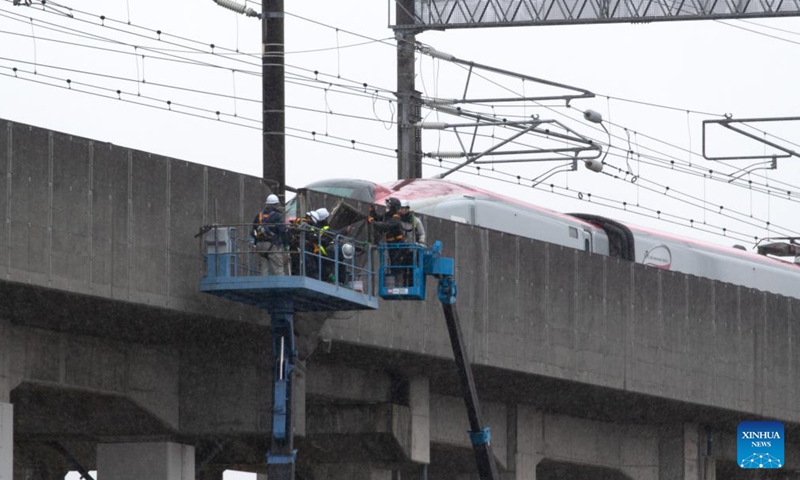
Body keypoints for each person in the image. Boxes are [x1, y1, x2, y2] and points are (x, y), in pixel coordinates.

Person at [251, 194, 288, 276]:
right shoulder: (277, 216)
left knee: (264, 270)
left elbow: (254, 230)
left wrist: (255, 244)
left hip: (260, 245)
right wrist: (286, 245)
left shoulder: (259, 216)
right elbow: (282, 231)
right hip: (272, 245)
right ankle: (282, 287)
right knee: (278, 269)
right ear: (276, 204)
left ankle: (263, 287)